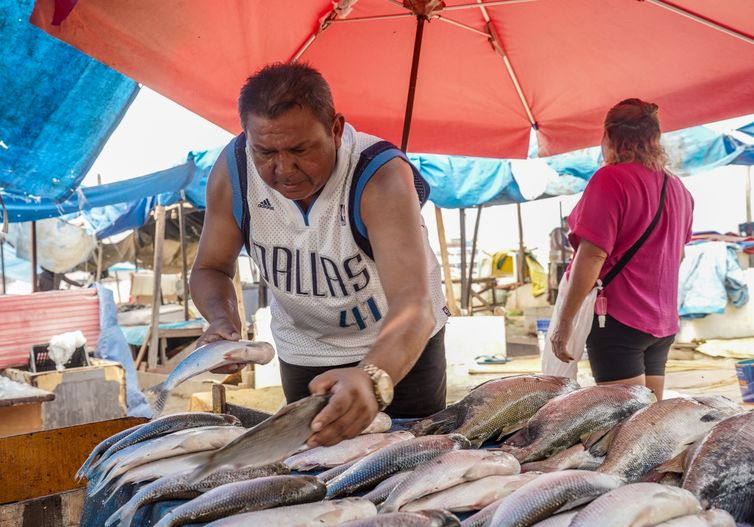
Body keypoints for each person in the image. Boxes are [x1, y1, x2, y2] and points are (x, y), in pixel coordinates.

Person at [190, 63, 449, 447]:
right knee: (316, 472)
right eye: (265, 152)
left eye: (300, 149)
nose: (284, 169)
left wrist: (372, 376)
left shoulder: (379, 175)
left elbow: (413, 305)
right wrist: (222, 321)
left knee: (408, 458)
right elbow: (210, 267)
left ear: (336, 128)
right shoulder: (234, 172)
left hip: (400, 349)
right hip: (305, 350)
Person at [550, 98, 693, 400]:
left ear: (609, 136)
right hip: (662, 323)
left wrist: (566, 322)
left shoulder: (611, 178)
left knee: (624, 424)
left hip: (618, 320)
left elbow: (593, 255)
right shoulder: (678, 188)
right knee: (649, 420)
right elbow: (676, 256)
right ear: (655, 138)